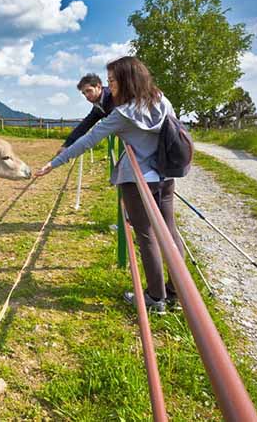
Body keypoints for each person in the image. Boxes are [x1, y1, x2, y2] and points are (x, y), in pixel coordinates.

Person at [35, 56, 185, 312]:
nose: (109, 86)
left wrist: (53, 163)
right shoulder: (162, 99)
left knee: (146, 235)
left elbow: (89, 139)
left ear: (126, 81)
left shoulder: (123, 114)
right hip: (165, 176)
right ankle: (176, 294)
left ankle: (154, 297)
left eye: (112, 80)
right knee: (170, 232)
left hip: (138, 181)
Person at [55, 73, 114, 156]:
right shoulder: (98, 106)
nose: (86, 96)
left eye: (89, 91)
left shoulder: (113, 95)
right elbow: (84, 125)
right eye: (84, 93)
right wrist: (66, 145)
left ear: (98, 86)